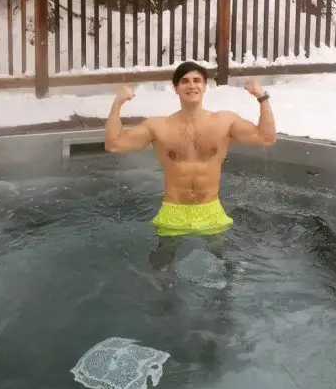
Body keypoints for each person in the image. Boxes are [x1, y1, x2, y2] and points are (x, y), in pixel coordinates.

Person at [104, 61, 277, 272]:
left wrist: (262, 98)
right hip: (173, 211)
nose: (191, 85)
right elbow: (114, 145)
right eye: (185, 81)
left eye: (197, 80)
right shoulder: (158, 126)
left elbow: (266, 138)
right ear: (176, 88)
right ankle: (161, 291)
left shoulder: (225, 121)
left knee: (228, 263)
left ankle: (230, 289)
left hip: (211, 210)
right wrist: (117, 104)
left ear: (205, 86)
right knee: (160, 266)